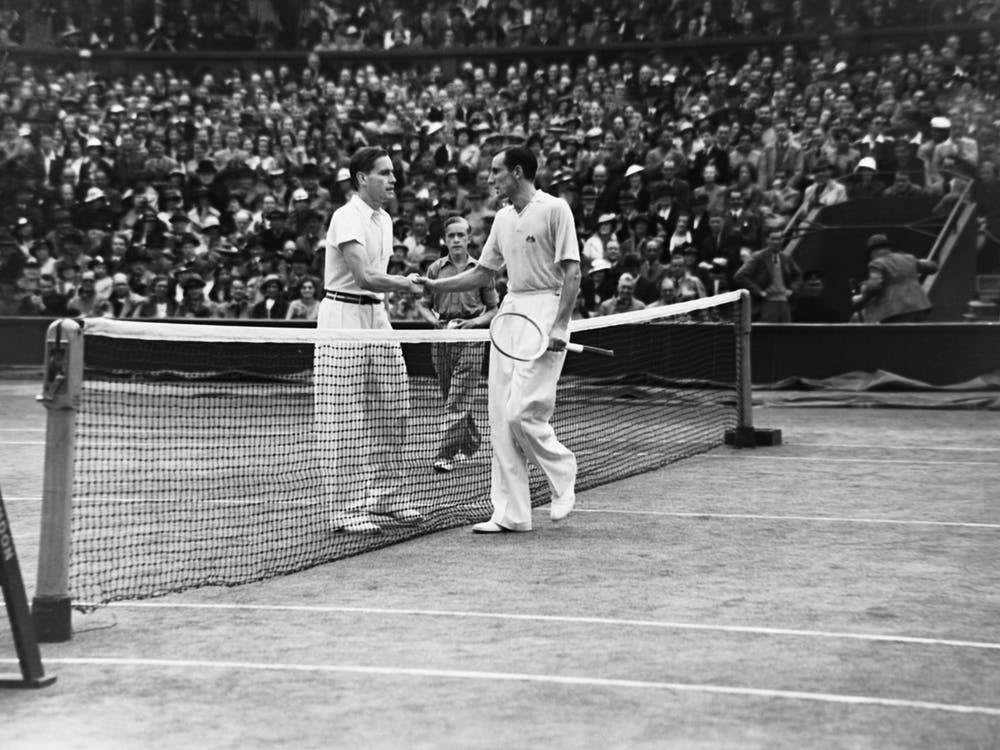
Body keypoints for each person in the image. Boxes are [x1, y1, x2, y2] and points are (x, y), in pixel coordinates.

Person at [416, 146, 581, 533]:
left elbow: (572, 273)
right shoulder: (502, 219)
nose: (489, 179)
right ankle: (512, 513)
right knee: (499, 420)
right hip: (510, 312)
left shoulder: (556, 209)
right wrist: (435, 284)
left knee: (522, 411)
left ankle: (563, 473)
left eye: (496, 172)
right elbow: (483, 274)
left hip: (546, 310)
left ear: (518, 173)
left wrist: (559, 325)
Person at [317, 146, 424, 534]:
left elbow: (375, 284)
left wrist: (398, 289)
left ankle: (388, 496)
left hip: (377, 316)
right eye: (384, 173)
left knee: (396, 403)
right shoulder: (346, 216)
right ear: (362, 179)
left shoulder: (385, 220)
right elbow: (363, 276)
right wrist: (406, 284)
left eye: (393, 172)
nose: (393, 179)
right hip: (342, 316)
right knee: (343, 416)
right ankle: (344, 509)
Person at [420, 215, 499, 473]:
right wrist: (434, 322)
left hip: (471, 338)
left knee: (457, 397)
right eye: (451, 235)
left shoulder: (481, 271)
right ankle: (472, 439)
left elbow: (493, 309)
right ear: (445, 239)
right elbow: (423, 305)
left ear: (469, 238)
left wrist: (475, 324)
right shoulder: (434, 270)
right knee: (450, 395)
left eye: (460, 235)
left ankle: (446, 453)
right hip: (443, 337)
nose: (455, 240)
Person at [851, 234, 938, 323]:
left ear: (872, 252)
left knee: (899, 336)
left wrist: (862, 298)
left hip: (896, 310)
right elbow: (933, 267)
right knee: (920, 336)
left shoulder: (877, 263)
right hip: (920, 306)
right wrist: (924, 262)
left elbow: (874, 286)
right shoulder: (908, 258)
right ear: (888, 248)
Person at [733, 228, 803, 322]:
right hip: (767, 302)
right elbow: (740, 276)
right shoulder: (759, 257)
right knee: (769, 332)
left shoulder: (785, 257)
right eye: (773, 239)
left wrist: (791, 289)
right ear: (767, 240)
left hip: (784, 301)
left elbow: (798, 276)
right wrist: (759, 291)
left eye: (779, 239)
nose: (776, 242)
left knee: (786, 331)